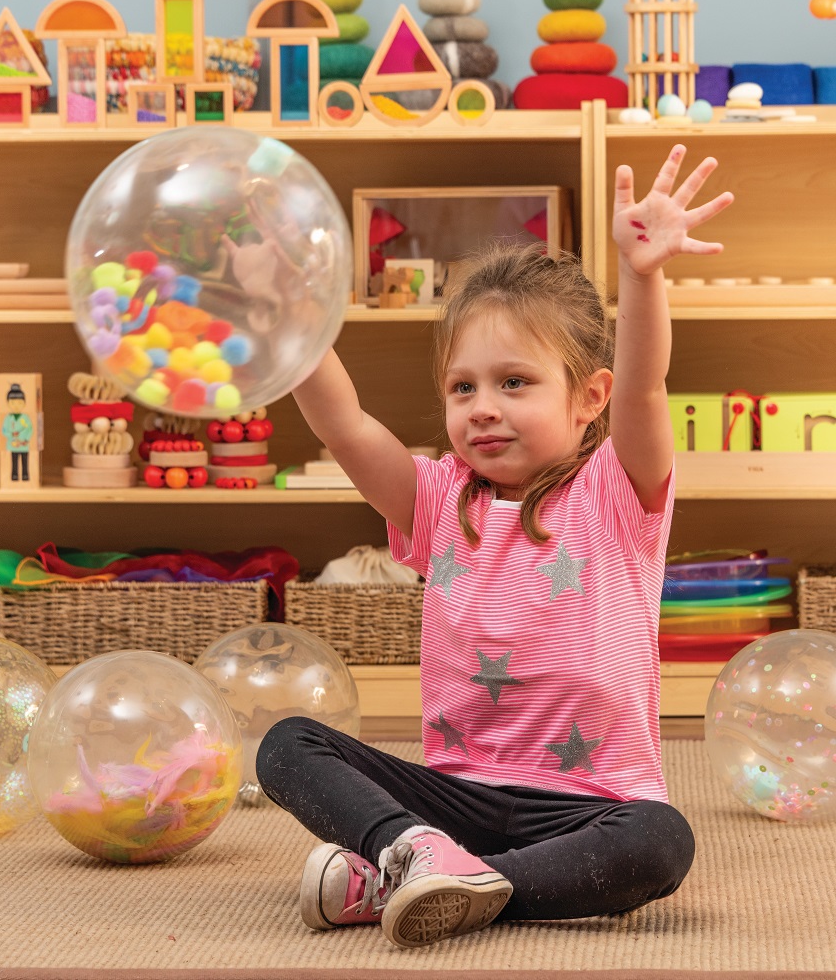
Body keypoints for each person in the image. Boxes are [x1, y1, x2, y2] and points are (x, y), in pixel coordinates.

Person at [256, 145, 734, 950]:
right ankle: (415, 855)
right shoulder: (438, 498)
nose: (483, 407)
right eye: (462, 386)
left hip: (590, 802)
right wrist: (293, 316)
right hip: (451, 799)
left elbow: (646, 386)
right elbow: (345, 426)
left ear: (589, 397)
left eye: (515, 383)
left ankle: (439, 886)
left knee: (662, 842)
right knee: (285, 745)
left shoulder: (618, 492)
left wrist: (643, 275)